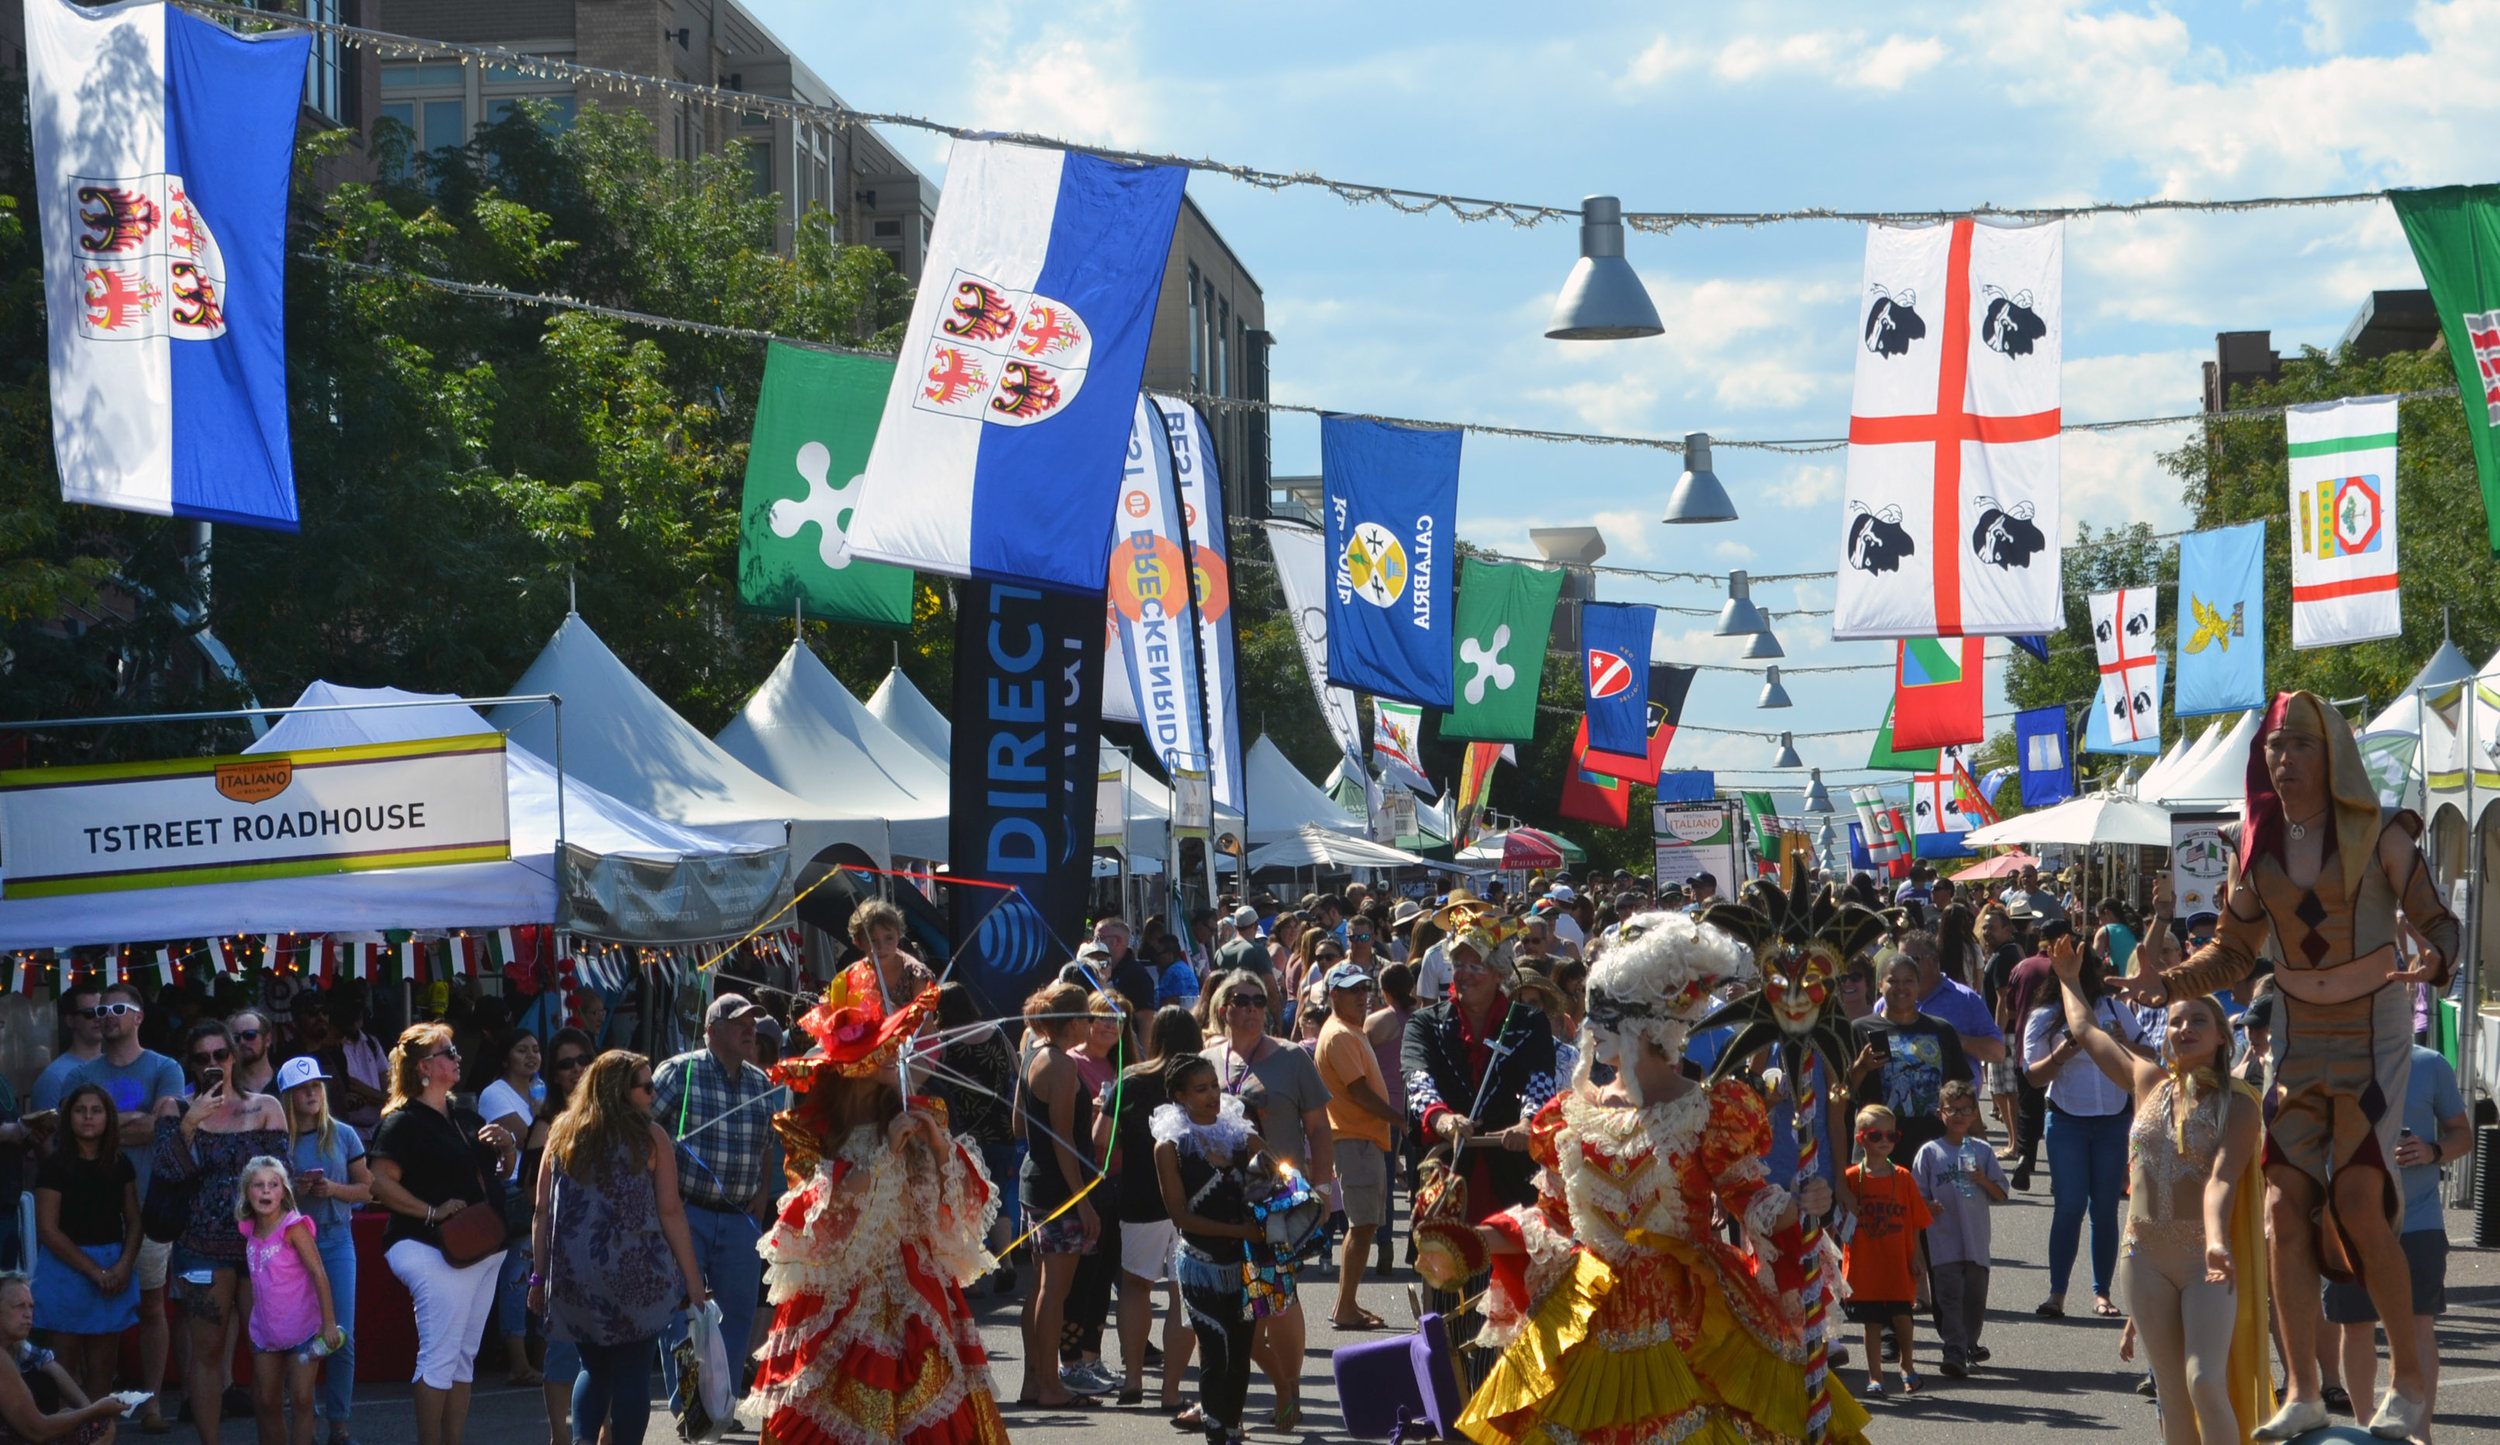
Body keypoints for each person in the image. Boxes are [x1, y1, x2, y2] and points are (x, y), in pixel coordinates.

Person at [2126, 692, 2459, 1441]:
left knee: (2360, 1198)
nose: (2285, 759)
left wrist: (2438, 955)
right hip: (2299, 1035)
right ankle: (2306, 1388)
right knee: (2282, 1210)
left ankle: (2408, 1384)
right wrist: (2167, 981)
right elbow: (2237, 953)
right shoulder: (2258, 843)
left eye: (2300, 744)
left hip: (2372, 1031)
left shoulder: (2380, 833)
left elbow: (2439, 921)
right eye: (2275, 746)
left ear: (2331, 751)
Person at [1453, 910, 1868, 1445]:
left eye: (1602, 1017)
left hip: (1692, 1312)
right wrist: (1473, 1238)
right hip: (1590, 1310)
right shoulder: (1570, 1115)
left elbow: (1753, 1202)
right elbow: (1552, 1218)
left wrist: (1807, 1201)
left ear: (1644, 1027)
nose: (1588, 1029)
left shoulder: (1708, 1112)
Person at [741, 961, 1007, 1445]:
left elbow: (943, 1209)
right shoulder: (812, 1131)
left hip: (913, 1283)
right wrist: (885, 1153)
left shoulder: (919, 1114)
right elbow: (817, 1208)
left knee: (929, 1396)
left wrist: (938, 1148)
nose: (897, 1053)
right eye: (883, 1049)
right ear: (851, 1068)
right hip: (840, 1290)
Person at [2050, 937, 2274, 1445]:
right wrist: (2067, 978)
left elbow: (2222, 1178)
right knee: (2170, 1392)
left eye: (2198, 1020)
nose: (2184, 1029)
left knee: (2203, 1379)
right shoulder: (2146, 1079)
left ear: (2222, 1035)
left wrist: (2217, 1240)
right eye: (2175, 1021)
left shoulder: (2239, 1103)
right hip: (2143, 1255)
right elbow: (2085, 1030)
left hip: (2205, 1260)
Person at [525, 1051, 704, 1445]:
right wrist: (693, 1280)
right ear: (622, 1091)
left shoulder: (561, 1133)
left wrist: (539, 1277)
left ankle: (583, 1441)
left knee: (593, 1368)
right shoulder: (650, 1137)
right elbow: (670, 1211)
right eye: (646, 1086)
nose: (653, 1095)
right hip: (635, 1273)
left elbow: (542, 1211)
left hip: (576, 1274)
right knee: (632, 1373)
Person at [367, 1023, 518, 1445]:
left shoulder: (464, 1116)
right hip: (429, 1245)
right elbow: (379, 1184)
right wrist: (431, 1211)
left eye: (454, 1051)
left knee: (463, 1358)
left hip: (483, 1246)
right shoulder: (401, 1122)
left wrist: (506, 1148)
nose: (457, 1058)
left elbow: (494, 1177)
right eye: (448, 1052)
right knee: (440, 1356)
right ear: (424, 1068)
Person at [1200, 970, 1332, 1430]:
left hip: (1277, 1199)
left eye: (1260, 1000)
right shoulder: (1206, 1060)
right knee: (1220, 1299)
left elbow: (1318, 1128)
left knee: (1276, 1297)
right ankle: (1216, 1393)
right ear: (1224, 1009)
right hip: (1215, 1201)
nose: (1252, 1007)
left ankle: (1289, 1389)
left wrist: (1325, 1187)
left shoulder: (1293, 1058)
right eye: (1241, 999)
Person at [150, 1021, 288, 1445]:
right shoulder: (174, 1108)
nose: (213, 1064)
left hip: (257, 1245)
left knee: (265, 1351)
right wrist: (191, 1123)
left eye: (220, 1055)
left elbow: (282, 1180)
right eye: (202, 1058)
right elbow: (166, 1171)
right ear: (190, 1063)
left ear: (234, 1057)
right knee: (206, 1354)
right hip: (200, 1246)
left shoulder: (265, 1107)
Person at [2322, 1043, 2468, 1440]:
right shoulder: (2328, 1060)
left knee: (2419, 1322)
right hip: (2347, 1219)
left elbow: (2462, 1134)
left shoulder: (2428, 1062)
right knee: (2355, 1325)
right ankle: (2364, 1429)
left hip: (2417, 1219)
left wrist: (2432, 1149)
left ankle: (2421, 1433)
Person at [649, 994, 778, 1403]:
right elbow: (641, 1132)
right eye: (738, 1022)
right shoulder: (678, 1074)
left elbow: (767, 1148)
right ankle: (689, 1405)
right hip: (686, 1212)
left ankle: (719, 1402)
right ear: (711, 1030)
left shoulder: (762, 1083)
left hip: (740, 1218)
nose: (749, 1029)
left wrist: (760, 1200)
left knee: (738, 1313)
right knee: (682, 1310)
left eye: (752, 1023)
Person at [66, 985, 183, 1436]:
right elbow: (78, 1135)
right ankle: (96, 1405)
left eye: (117, 1009)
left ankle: (151, 1403)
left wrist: (112, 1126)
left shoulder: (165, 1067)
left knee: (152, 1306)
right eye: (100, 1010)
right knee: (95, 1309)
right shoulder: (80, 1073)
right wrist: (135, 1121)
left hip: (151, 1205)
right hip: (94, 1209)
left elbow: (164, 1128)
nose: (106, 1016)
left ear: (138, 1017)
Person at [2023, 941, 2147, 1319]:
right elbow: (2032, 1076)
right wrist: (2064, 1051)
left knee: (2106, 1209)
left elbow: (2151, 1056)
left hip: (2113, 1122)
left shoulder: (2115, 1010)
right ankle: (2056, 1294)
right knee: (2070, 1206)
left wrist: (2129, 1046)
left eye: (2086, 968)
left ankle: (2102, 1294)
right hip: (2066, 1121)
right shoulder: (2045, 1016)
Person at [1152, 1054, 1269, 1445]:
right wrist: (1240, 1230)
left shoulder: (1240, 1134)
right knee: (1215, 1351)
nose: (1211, 1096)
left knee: (1240, 1353)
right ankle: (1216, 1435)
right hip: (1199, 1265)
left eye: (1214, 1087)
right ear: (1180, 1096)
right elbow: (1180, 1216)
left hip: (1245, 1265)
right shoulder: (1170, 1147)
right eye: (1200, 1090)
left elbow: (1276, 1177)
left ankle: (1233, 1428)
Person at [1094, 1006, 1202, 1417]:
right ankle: (1171, 1391)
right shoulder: (1200, 1080)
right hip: (1192, 1202)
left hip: (1140, 1195)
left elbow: (1101, 1140)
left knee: (1136, 1287)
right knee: (1182, 1295)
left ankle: (1133, 1379)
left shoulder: (1130, 1079)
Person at [1015, 981, 1101, 1409]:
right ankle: (1050, 1384)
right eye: (1087, 1016)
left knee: (1040, 1287)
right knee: (1055, 1291)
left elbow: (1019, 1124)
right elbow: (1065, 1140)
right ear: (1072, 1022)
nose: (1091, 1022)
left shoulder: (1032, 1051)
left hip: (1033, 1179)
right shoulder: (1063, 1066)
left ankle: (1035, 1381)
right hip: (1059, 1189)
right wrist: (1083, 1200)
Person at [275, 1059, 367, 1445]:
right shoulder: (278, 1140)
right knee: (297, 1336)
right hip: (291, 1244)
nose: (311, 1093)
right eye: (301, 1088)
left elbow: (366, 1190)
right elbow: (260, 1197)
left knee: (339, 1334)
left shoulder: (344, 1134)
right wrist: (292, 1187)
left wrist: (333, 1189)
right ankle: (304, 1418)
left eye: (315, 1086)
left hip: (335, 1236)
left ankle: (339, 1424)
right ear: (288, 1097)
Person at [32, 1085, 138, 1404]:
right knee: (64, 1370)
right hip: (66, 1268)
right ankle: (67, 1433)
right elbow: (48, 1230)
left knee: (102, 1371)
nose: (88, 1117)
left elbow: (135, 1221)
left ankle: (99, 1435)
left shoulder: (121, 1164)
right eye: (80, 1110)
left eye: (96, 1110)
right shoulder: (54, 1166)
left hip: (112, 1265)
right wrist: (95, 1272)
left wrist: (122, 1266)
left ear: (109, 1117)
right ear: (68, 1118)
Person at [233, 1157, 343, 1445]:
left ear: (284, 1191)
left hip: (303, 1330)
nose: (266, 1191)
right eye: (258, 1185)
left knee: (301, 1400)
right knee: (267, 1402)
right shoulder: (248, 1228)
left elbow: (319, 1273)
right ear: (247, 1192)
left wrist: (329, 1323)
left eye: (273, 1185)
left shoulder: (294, 1227)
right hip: (265, 1332)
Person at [1313, 962, 1397, 1331]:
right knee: (1362, 1225)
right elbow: (1358, 1091)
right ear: (1334, 995)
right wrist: (1401, 1119)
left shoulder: (1349, 1030)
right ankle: (1345, 1307)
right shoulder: (1340, 1035)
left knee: (1364, 1225)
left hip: (1361, 1138)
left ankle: (1346, 1304)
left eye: (1365, 989)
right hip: (1354, 1137)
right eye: (1353, 991)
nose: (1362, 997)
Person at [1912, 1081, 2006, 1377]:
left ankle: (1969, 1343)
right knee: (1949, 1296)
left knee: (1974, 1300)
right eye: (1952, 1109)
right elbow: (1915, 1198)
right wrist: (1927, 1208)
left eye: (1966, 1109)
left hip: (1976, 1241)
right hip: (1944, 1242)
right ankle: (1953, 1349)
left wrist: (1983, 1180)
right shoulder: (1930, 1152)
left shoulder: (1982, 1150)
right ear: (1941, 1113)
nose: (1959, 1115)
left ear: (1975, 1113)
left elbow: (2002, 1193)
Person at [1059, 994, 1127, 1396]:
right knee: (1081, 1280)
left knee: (1103, 1279)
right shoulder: (1070, 1061)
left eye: (1116, 1020)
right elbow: (1062, 1125)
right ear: (1084, 1020)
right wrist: (1098, 1110)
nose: (1108, 1026)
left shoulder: (1121, 1063)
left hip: (1119, 1179)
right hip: (1085, 1181)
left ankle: (1091, 1358)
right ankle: (1069, 1363)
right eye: (1101, 1018)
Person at [469, 1032, 543, 1390]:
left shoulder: (540, 1089)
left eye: (536, 1050)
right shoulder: (495, 1093)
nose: (531, 1056)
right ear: (505, 1057)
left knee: (544, 1273)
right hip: (514, 1193)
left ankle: (544, 1355)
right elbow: (531, 1138)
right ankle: (517, 1360)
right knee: (517, 1275)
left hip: (546, 1189)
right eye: (521, 1050)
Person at [1844, 1103, 1931, 1399]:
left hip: (1897, 1259)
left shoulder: (1903, 1177)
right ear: (1861, 1139)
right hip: (1865, 1263)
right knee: (1872, 1322)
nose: (1884, 1141)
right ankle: (1875, 1375)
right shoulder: (1850, 1179)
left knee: (1902, 1316)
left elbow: (1917, 1221)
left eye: (1891, 1135)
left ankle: (1907, 1363)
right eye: (1876, 1135)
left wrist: (1916, 1256)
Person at [1848, 951, 1968, 1159]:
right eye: (1893, 981)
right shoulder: (1860, 1029)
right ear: (1880, 986)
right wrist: (1862, 1066)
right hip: (1879, 1148)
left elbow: (1962, 1092)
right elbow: (1842, 1093)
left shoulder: (1941, 1030)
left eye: (1908, 981)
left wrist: (1975, 1142)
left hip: (1934, 1147)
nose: (1901, 987)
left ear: (1918, 985)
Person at [0, 1272, 125, 1445]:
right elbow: (38, 1430)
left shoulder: (15, 1347)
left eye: (31, 1307)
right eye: (20, 1306)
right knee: (101, 1427)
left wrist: (86, 1410)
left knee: (78, 1418)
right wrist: (96, 1409)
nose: (28, 1314)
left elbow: (49, 1364)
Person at [850, 899, 935, 1011]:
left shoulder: (915, 974)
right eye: (873, 940)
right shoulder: (853, 974)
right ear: (858, 943)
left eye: (889, 938)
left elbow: (925, 1026)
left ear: (899, 936)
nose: (881, 947)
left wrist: (883, 1006)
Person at [322, 991, 387, 1137]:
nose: (356, 1018)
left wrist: (385, 1097)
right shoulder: (334, 1046)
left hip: (376, 1129)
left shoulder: (372, 1043)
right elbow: (349, 1083)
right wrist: (384, 1099)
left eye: (359, 1012)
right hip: (349, 1130)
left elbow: (386, 1078)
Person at [30, 989, 102, 1115]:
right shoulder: (53, 1077)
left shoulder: (114, 1065)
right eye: (89, 1013)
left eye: (101, 1012)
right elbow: (45, 1132)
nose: (98, 1018)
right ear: (71, 1021)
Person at [224, 1015, 277, 1102]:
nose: (242, 1042)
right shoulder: (226, 1088)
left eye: (250, 1035)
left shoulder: (285, 1083)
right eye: (235, 1037)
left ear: (267, 1040)